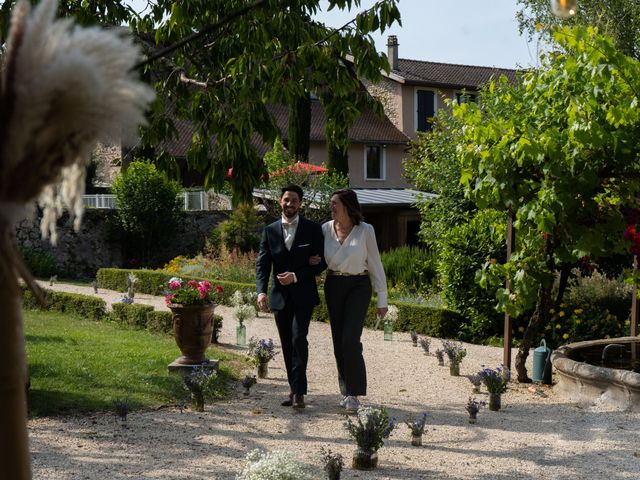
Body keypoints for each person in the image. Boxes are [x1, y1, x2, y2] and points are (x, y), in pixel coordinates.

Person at [312, 188, 388, 413]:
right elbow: (318, 258)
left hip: (358, 286)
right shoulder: (325, 229)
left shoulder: (365, 230)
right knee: (338, 339)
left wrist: (381, 298)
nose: (331, 207)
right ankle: (345, 391)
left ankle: (354, 393)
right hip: (334, 285)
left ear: (347, 205)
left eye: (335, 203)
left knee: (350, 339)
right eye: (331, 203)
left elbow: (375, 263)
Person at [256, 184, 326, 409]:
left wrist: (296, 275)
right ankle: (293, 388)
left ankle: (300, 392)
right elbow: (262, 264)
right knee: (286, 343)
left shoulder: (313, 230)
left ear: (300, 203)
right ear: (280, 201)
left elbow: (322, 262)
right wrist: (260, 291)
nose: (290, 204)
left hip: (304, 296)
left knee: (298, 339)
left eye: (294, 200)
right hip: (279, 298)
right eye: (286, 199)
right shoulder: (270, 231)